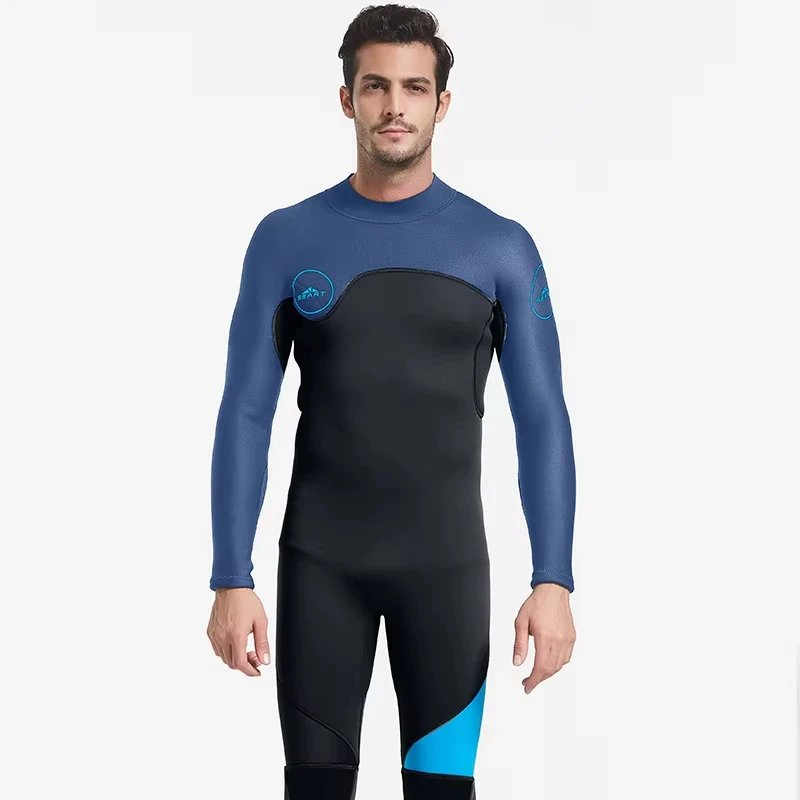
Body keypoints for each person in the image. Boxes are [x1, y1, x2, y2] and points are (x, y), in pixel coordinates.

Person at [206, 5, 577, 799]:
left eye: (414, 88)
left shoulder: (499, 247)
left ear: (443, 102)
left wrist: (554, 578)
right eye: (375, 86)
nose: (394, 106)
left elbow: (543, 418)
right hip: (320, 569)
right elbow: (245, 412)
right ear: (347, 99)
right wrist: (229, 576)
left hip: (445, 572)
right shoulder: (286, 239)